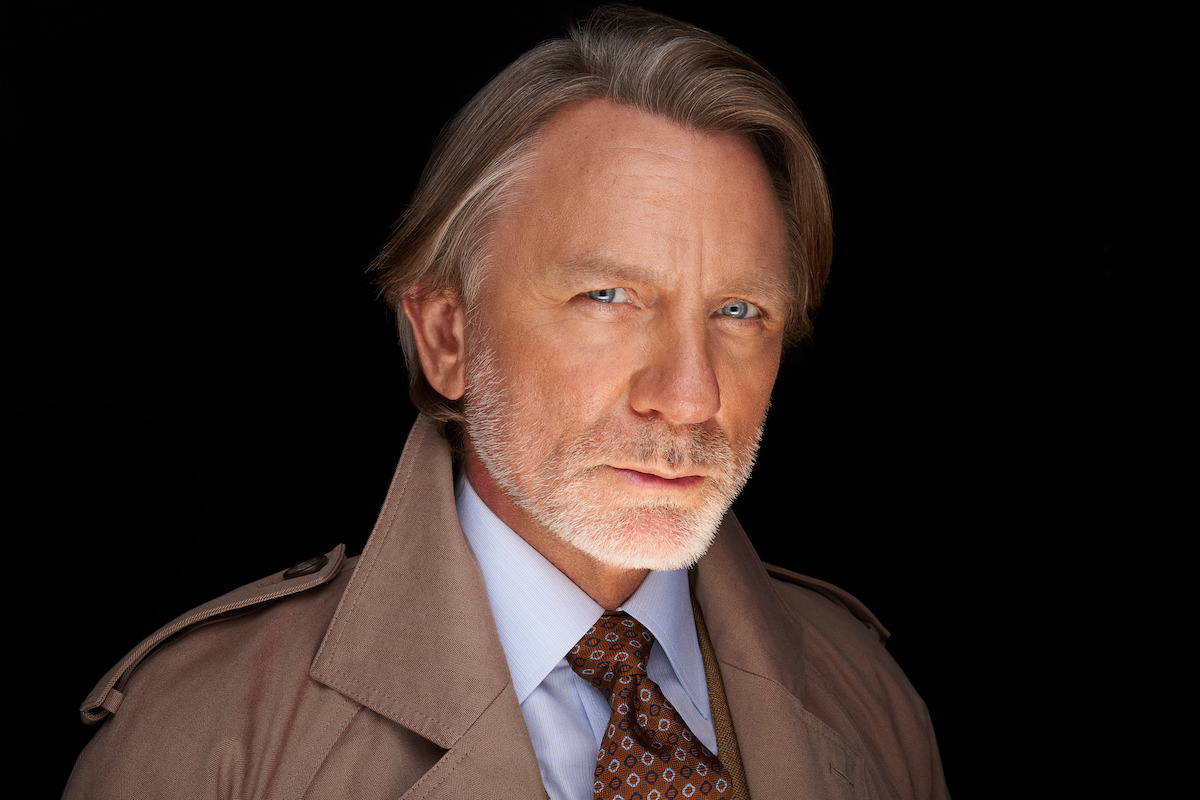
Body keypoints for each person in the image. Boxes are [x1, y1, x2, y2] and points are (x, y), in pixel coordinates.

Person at [62, 5, 948, 799]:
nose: (688, 397)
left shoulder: (867, 694)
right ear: (447, 336)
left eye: (739, 311)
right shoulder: (210, 738)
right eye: (608, 297)